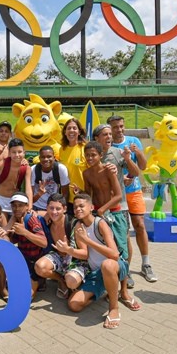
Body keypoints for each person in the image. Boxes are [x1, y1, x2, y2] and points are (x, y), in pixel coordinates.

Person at [55, 194, 139, 329]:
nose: (78, 209)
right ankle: (106, 290)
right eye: (75, 207)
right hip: (96, 273)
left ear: (91, 207)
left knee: (107, 264)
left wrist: (88, 240)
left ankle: (114, 307)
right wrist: (68, 250)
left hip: (115, 267)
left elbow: (114, 255)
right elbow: (85, 254)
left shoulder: (100, 223)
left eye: (82, 206)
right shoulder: (78, 226)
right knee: (74, 305)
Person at [108, 115, 157, 285]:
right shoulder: (107, 144)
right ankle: (125, 269)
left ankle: (146, 263)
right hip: (116, 194)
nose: (119, 130)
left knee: (140, 225)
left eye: (121, 126)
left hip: (134, 191)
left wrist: (138, 152)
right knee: (124, 231)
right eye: (115, 127)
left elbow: (142, 166)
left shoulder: (133, 140)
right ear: (110, 128)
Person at [94, 122, 144, 288]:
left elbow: (136, 173)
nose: (109, 137)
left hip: (119, 206)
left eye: (110, 134)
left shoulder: (118, 153)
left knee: (123, 241)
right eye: (105, 134)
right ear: (96, 138)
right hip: (100, 209)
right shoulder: (92, 154)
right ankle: (107, 275)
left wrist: (128, 159)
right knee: (105, 243)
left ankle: (125, 274)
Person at [5, 192, 48, 299]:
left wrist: (24, 232)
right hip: (23, 260)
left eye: (20, 205)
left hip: (34, 261)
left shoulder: (32, 219)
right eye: (14, 205)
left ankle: (39, 279)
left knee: (27, 298)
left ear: (27, 207)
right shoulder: (15, 219)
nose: (16, 208)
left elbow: (44, 242)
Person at [0, 138, 32, 219]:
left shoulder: (26, 167)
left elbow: (28, 188)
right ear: (9, 153)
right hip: (0, 199)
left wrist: (30, 206)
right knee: (3, 227)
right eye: (14, 152)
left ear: (24, 153)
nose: (17, 155)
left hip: (15, 202)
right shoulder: (3, 163)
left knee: (14, 228)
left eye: (20, 152)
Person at [34, 193, 72, 299]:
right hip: (57, 256)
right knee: (39, 267)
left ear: (64, 209)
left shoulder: (71, 222)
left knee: (73, 284)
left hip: (73, 258)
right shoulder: (48, 220)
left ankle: (69, 279)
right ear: (47, 208)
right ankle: (60, 279)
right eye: (51, 208)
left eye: (58, 209)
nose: (54, 212)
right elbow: (31, 212)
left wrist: (68, 249)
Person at [59, 118, 87, 217]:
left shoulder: (85, 148)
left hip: (83, 197)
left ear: (79, 132)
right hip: (67, 198)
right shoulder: (62, 149)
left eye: (74, 128)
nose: (71, 131)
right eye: (69, 128)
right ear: (65, 132)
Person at [31, 145, 70, 211]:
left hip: (54, 207)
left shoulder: (61, 169)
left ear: (54, 158)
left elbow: (65, 193)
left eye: (49, 157)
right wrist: (39, 194)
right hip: (37, 206)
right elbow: (30, 198)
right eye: (43, 157)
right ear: (39, 158)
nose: (46, 159)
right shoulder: (33, 170)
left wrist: (62, 210)